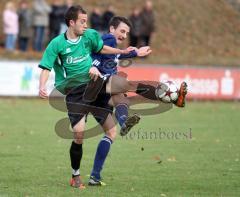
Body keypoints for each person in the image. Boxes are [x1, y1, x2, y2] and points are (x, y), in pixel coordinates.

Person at [38, 5, 133, 189]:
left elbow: (102, 48)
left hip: (94, 85)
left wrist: (123, 52)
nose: (85, 24)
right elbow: (46, 67)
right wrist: (42, 86)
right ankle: (75, 175)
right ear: (71, 22)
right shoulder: (57, 44)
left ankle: (123, 121)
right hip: (74, 91)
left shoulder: (88, 36)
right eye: (82, 21)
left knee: (112, 125)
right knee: (79, 134)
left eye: (86, 21)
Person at [91, 16, 151, 137]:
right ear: (112, 28)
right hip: (97, 83)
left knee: (111, 133)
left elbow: (118, 55)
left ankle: (124, 123)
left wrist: (136, 52)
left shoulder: (109, 46)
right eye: (122, 31)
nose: (124, 36)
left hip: (97, 91)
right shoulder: (109, 38)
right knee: (121, 86)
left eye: (126, 33)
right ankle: (162, 93)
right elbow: (101, 54)